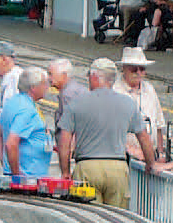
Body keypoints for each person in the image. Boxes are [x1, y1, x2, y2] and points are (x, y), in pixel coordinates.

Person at [58, 57, 155, 206]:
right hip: (117, 168)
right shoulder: (128, 103)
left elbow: (64, 141)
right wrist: (150, 163)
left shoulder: (76, 103)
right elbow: (144, 137)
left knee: (88, 219)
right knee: (115, 221)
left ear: (94, 76)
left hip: (87, 168)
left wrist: (65, 171)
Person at [0, 65, 53, 183]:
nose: (47, 87)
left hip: (20, 173)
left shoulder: (13, 102)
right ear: (33, 87)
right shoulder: (27, 110)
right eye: (44, 83)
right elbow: (11, 143)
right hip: (29, 177)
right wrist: (17, 175)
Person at [120, 47, 166, 162]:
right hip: (125, 158)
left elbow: (159, 125)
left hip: (150, 157)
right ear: (124, 68)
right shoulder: (115, 92)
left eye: (142, 69)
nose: (138, 73)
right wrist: (132, 151)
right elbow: (109, 131)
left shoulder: (149, 89)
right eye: (134, 69)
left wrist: (161, 154)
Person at [0, 41, 21, 163]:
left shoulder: (13, 79)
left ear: (5, 59)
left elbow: (9, 114)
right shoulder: (10, 77)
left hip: (9, 143)